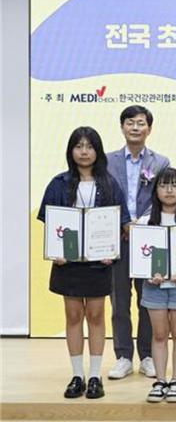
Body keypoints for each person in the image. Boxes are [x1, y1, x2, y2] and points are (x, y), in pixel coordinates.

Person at [37, 126, 130, 399]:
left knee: (96, 316)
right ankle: (77, 375)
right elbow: (50, 223)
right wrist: (55, 250)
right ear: (71, 151)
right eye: (79, 146)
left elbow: (120, 223)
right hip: (67, 264)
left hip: (99, 263)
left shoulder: (110, 184)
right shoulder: (58, 183)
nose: (84, 151)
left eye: (89, 146)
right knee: (74, 316)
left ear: (97, 151)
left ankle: (95, 376)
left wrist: (111, 249)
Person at [107, 105, 170, 380]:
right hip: (117, 240)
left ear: (149, 129)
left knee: (148, 300)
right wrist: (123, 223)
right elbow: (105, 197)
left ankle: (147, 355)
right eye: (130, 122)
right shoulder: (106, 162)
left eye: (141, 123)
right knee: (119, 300)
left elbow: (162, 198)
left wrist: (139, 225)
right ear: (122, 127)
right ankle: (123, 356)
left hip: (148, 240)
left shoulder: (161, 163)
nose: (135, 127)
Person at [139, 168, 176, 403]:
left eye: (174, 185)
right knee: (159, 334)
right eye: (163, 185)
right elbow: (139, 258)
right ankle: (160, 381)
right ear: (156, 190)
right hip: (154, 287)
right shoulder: (145, 222)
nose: (169, 190)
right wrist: (148, 274)